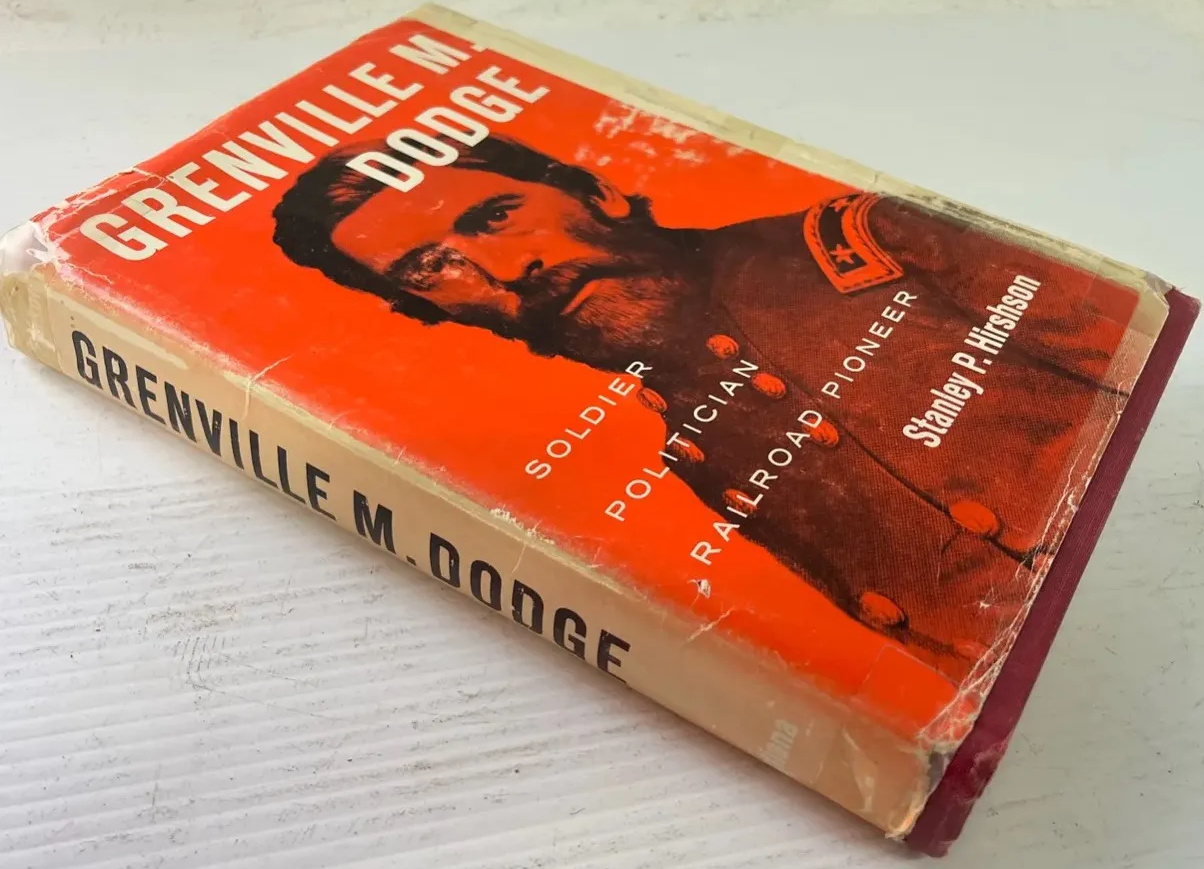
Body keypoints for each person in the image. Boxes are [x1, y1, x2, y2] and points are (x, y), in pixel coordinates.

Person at [272, 134, 1136, 678]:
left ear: (596, 191)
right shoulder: (690, 452)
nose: (504, 271)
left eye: (497, 215)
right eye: (430, 269)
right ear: (428, 311)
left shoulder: (873, 241)